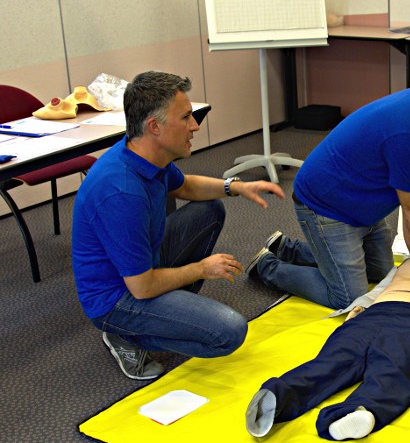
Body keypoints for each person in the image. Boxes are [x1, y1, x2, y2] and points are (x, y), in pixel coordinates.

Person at [72, 71, 285, 380]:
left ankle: (169, 310)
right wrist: (202, 269)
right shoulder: (121, 192)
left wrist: (235, 187)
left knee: (210, 209)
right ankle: (124, 336)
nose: (195, 125)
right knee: (229, 331)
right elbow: (142, 287)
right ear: (154, 127)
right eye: (186, 118)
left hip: (142, 266)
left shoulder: (143, 154)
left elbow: (185, 187)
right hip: (118, 299)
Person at [246, 58, 410, 309]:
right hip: (326, 208)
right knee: (349, 296)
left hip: (364, 207)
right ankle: (268, 266)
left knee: (383, 275)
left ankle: (287, 248)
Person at [245, 232, 410, 442]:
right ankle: (292, 397)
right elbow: (380, 288)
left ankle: (339, 406)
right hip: (392, 316)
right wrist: (359, 308)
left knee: (369, 368)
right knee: (359, 366)